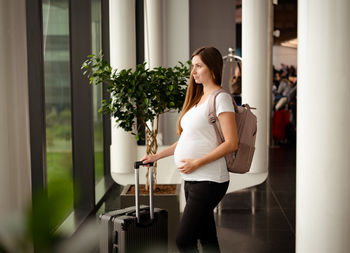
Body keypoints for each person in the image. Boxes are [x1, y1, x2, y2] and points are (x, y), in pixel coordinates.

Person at [142, 46, 238, 252]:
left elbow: (231, 142)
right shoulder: (197, 100)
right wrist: (157, 156)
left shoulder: (220, 99)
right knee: (207, 236)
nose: (193, 71)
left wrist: (197, 162)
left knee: (183, 239)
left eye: (198, 66)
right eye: (192, 66)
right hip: (192, 179)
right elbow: (187, 139)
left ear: (212, 68)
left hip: (210, 180)